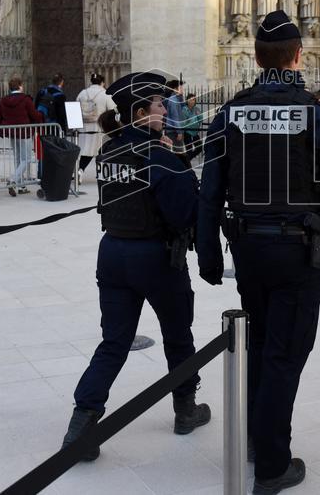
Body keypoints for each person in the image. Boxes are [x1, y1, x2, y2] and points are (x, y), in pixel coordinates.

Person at [196, 10, 320, 495]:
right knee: (284, 352)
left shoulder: (230, 114)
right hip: (297, 254)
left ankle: (257, 439)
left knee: (258, 345)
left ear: (257, 59)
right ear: (298, 56)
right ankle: (273, 464)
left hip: (248, 251)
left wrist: (208, 253)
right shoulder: (314, 114)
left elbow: (209, 190)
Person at [62, 72, 210, 462]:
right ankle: (185, 410)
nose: (165, 110)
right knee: (178, 336)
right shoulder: (158, 156)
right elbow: (184, 213)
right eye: (160, 105)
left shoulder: (110, 152)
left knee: (113, 342)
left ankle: (81, 424)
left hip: (112, 254)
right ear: (142, 113)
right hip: (156, 258)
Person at [0, 77, 44, 197]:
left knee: (18, 158)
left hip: (11, 132)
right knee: (26, 158)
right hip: (24, 132)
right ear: (20, 86)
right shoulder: (25, 99)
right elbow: (34, 115)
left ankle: (21, 186)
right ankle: (13, 180)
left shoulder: (4, 100)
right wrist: (42, 116)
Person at [76, 73, 115, 178]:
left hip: (83, 126)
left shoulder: (83, 93)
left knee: (86, 149)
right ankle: (100, 172)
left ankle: (80, 170)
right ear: (102, 82)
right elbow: (112, 110)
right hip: (98, 127)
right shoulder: (105, 93)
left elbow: (76, 108)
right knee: (99, 150)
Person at [164, 79, 186, 150]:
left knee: (177, 152)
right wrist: (179, 132)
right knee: (179, 152)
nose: (183, 89)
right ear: (175, 89)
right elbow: (175, 117)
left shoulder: (177, 99)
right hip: (173, 131)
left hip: (174, 130)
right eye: (181, 88)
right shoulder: (173, 100)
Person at [181, 93, 204, 159]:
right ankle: (188, 162)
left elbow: (200, 118)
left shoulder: (196, 109)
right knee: (189, 149)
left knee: (199, 147)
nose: (192, 101)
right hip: (187, 133)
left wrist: (198, 117)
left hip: (195, 132)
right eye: (190, 100)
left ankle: (188, 159)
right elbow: (185, 122)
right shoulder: (184, 109)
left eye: (193, 100)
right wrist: (194, 118)